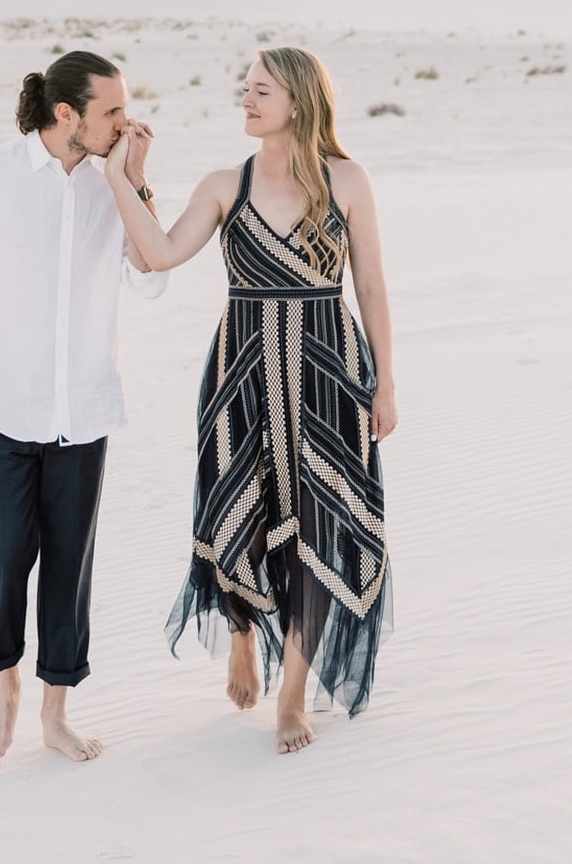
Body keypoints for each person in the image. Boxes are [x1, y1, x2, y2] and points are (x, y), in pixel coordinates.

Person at [105, 46, 395, 755]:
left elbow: (373, 286)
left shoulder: (348, 180)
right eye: (245, 89)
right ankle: (241, 633)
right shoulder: (222, 184)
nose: (246, 99)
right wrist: (128, 180)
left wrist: (387, 381)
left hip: (328, 372)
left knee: (321, 526)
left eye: (260, 90)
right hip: (242, 370)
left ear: (297, 100)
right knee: (235, 505)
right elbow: (157, 256)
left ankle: (292, 692)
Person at [0, 50, 165, 762]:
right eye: (113, 112)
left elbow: (151, 277)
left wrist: (137, 182)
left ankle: (55, 711)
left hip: (83, 413)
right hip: (0, 409)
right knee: (6, 555)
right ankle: (4, 683)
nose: (128, 122)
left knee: (70, 563)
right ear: (68, 116)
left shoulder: (112, 185)